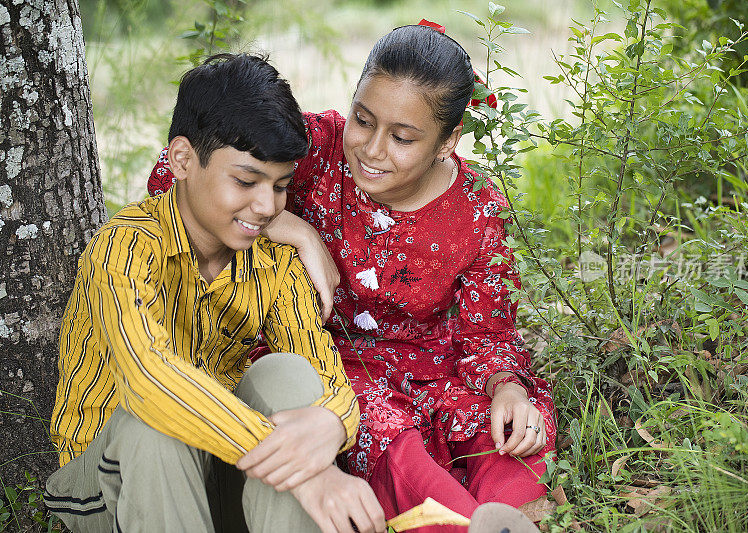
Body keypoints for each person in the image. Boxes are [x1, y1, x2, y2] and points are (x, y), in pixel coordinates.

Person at [149, 24, 556, 531]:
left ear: (448, 140)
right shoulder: (316, 148)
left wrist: (506, 388)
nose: (371, 149)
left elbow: (485, 335)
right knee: (386, 436)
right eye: (364, 120)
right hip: (328, 360)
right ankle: (461, 524)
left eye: (403, 137)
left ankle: (511, 517)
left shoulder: (477, 207)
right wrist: (293, 228)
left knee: (506, 428)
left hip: (432, 367)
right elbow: (175, 175)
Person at [45, 53, 385, 533]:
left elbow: (329, 381)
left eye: (281, 186)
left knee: (287, 376)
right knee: (155, 422)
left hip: (220, 469)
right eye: (246, 181)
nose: (267, 207)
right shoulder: (124, 248)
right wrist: (306, 475)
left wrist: (333, 425)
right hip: (115, 485)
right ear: (182, 160)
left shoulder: (275, 264)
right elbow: (151, 381)